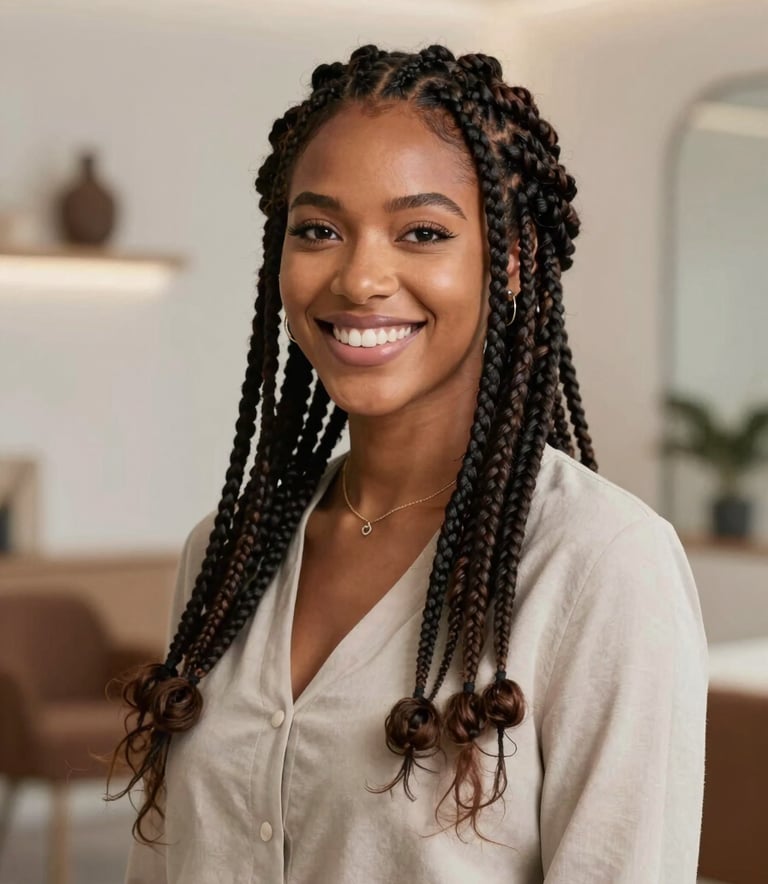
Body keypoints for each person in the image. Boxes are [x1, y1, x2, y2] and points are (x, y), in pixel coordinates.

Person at [111, 44, 708, 883]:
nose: (359, 277)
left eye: (421, 232)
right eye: (317, 230)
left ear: (506, 262)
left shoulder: (603, 567)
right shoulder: (227, 551)